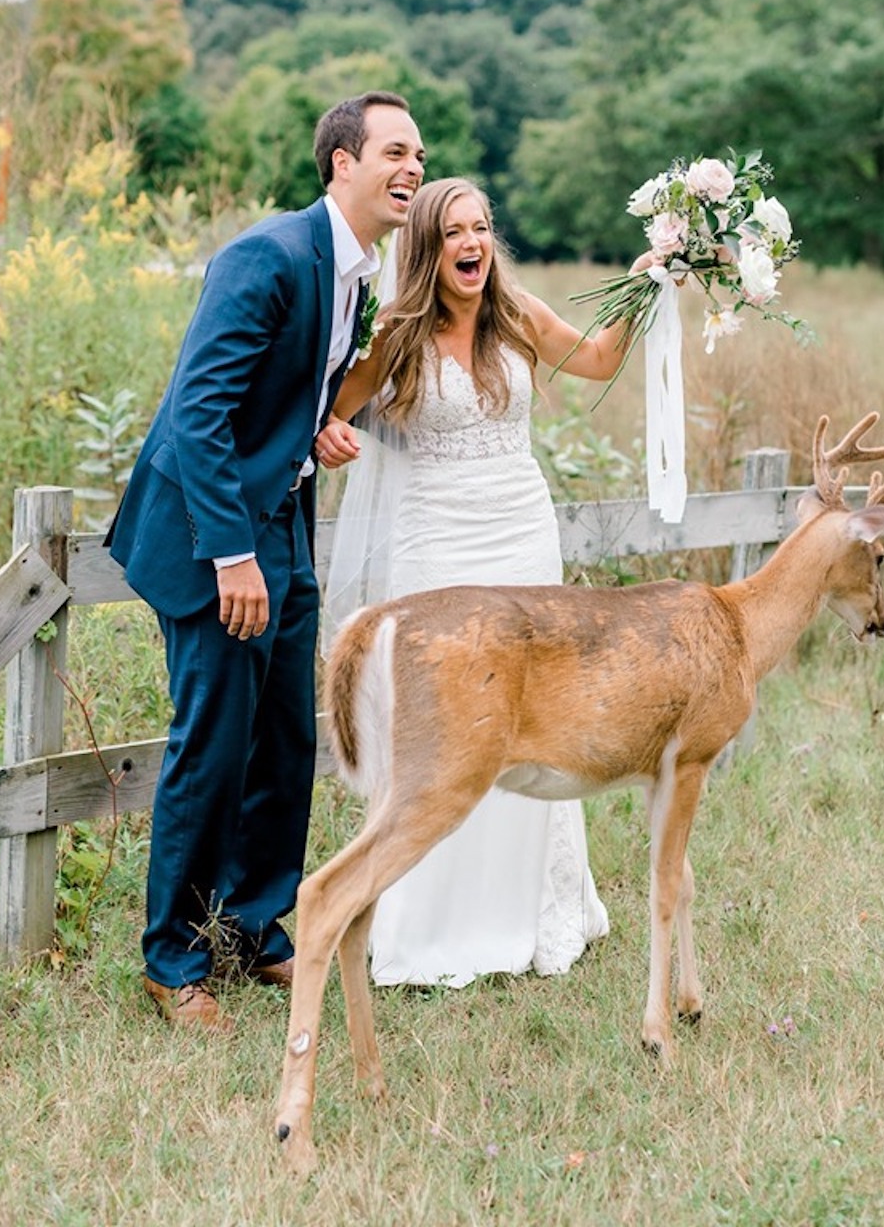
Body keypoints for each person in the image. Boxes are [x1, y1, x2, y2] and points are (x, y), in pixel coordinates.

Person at [105, 90, 426, 1029]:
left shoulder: (355, 270)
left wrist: (314, 432)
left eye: (419, 156)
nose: (413, 168)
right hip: (214, 539)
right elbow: (199, 412)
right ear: (342, 164)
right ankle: (171, 961)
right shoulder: (270, 255)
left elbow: (282, 396)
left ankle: (253, 928)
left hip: (282, 526)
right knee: (211, 743)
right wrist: (232, 555)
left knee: (287, 739)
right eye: (395, 153)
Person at [316, 177, 633, 988]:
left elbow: (597, 360)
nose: (473, 243)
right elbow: (335, 409)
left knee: (535, 711)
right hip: (438, 546)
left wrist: (649, 280)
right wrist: (329, 437)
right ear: (428, 247)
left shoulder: (517, 315)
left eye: (483, 228)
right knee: (449, 721)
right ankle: (432, 924)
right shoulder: (394, 334)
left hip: (523, 540)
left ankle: (536, 910)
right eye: (455, 231)